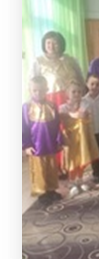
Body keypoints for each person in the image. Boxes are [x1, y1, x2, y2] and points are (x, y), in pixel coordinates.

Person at [29, 31, 85, 176]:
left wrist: (80, 98)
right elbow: (32, 84)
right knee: (53, 132)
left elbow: (80, 79)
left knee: (69, 132)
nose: (52, 46)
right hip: (48, 102)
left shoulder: (70, 60)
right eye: (48, 43)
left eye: (55, 43)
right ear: (44, 44)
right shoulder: (38, 62)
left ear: (61, 44)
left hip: (69, 100)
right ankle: (56, 167)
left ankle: (72, 165)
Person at [22, 76, 63, 205]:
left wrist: (58, 141)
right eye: (35, 90)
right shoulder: (26, 107)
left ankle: (51, 189)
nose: (38, 93)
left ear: (47, 89)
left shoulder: (52, 106)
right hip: (36, 146)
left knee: (51, 167)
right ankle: (42, 192)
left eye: (41, 90)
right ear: (30, 90)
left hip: (50, 144)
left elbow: (57, 125)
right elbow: (23, 127)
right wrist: (26, 145)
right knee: (39, 169)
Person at [59, 81, 99, 199]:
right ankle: (73, 182)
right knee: (72, 160)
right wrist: (72, 115)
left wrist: (72, 115)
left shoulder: (85, 104)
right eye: (74, 92)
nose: (77, 94)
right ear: (67, 94)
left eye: (79, 92)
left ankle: (80, 180)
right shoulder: (63, 107)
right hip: (70, 139)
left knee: (82, 158)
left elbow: (82, 115)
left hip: (82, 138)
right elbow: (64, 116)